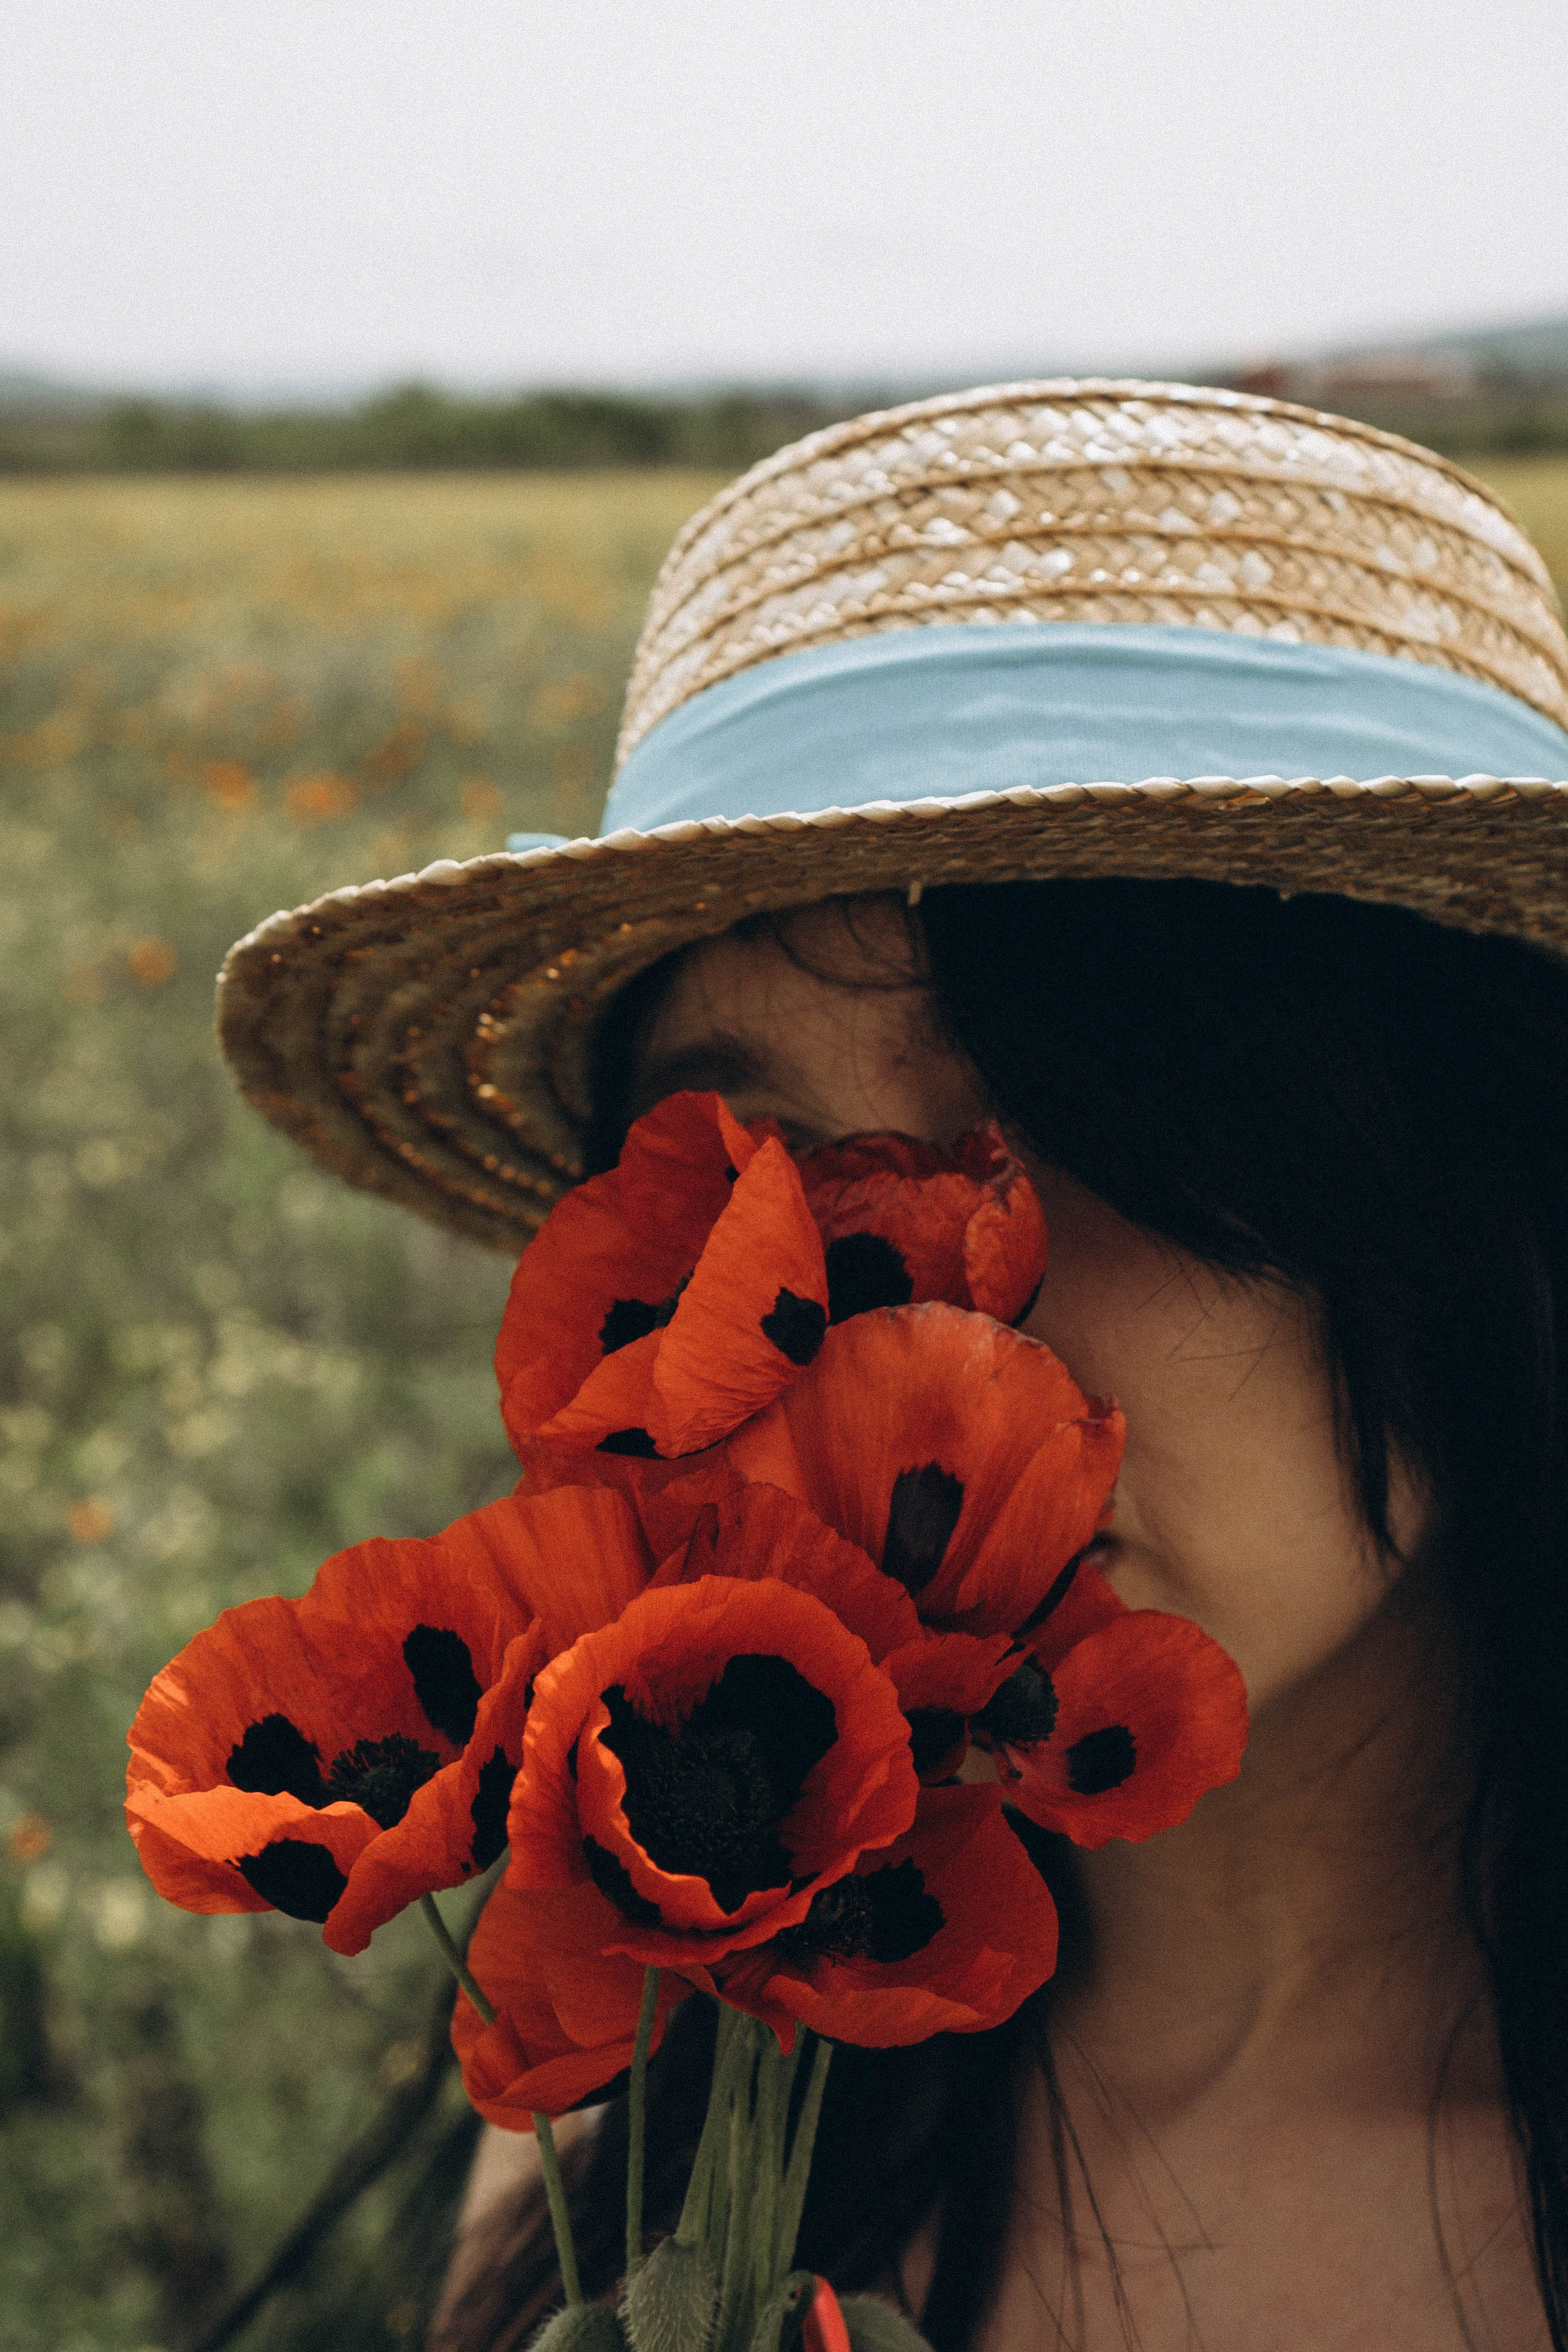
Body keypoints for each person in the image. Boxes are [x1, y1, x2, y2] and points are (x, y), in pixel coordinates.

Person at [220, 381, 1568, 2350]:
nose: (876, 1331)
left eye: (1078, 1119)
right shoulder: (633, 2133)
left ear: (1497, 1189)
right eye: (752, 1172)